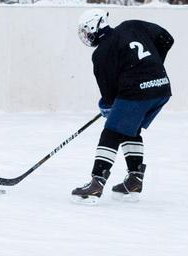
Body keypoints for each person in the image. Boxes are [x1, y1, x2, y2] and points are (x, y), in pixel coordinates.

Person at [71, 9, 174, 204]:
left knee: (111, 132)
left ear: (94, 26)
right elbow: (167, 39)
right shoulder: (131, 26)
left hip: (137, 92)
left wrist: (108, 106)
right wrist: (154, 66)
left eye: (86, 31)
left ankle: (96, 184)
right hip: (161, 88)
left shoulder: (101, 54)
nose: (86, 36)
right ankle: (134, 180)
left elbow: (109, 96)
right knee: (130, 128)